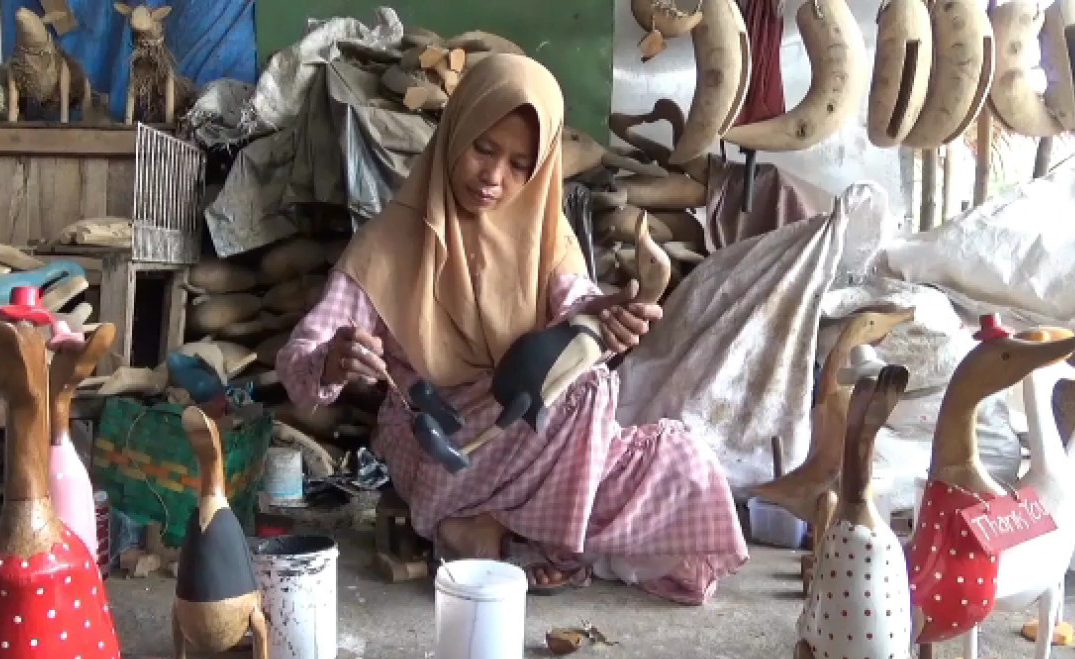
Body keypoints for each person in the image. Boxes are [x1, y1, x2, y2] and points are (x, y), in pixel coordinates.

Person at [277, 54, 746, 604]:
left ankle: (498, 531)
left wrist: (610, 313)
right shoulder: (387, 244)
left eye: (521, 163)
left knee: (684, 467)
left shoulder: (545, 231)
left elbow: (576, 303)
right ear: (456, 132)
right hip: (443, 442)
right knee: (586, 387)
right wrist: (334, 361)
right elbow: (300, 359)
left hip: (531, 435)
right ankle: (523, 536)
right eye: (483, 148)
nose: (496, 178)